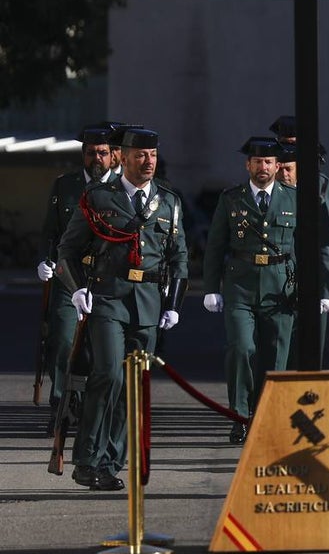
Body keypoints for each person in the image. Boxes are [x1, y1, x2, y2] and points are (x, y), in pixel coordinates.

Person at [57, 128, 188, 490]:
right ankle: (86, 460)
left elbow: (179, 257)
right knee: (109, 375)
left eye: (153, 156)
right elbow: (67, 250)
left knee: (133, 386)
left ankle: (111, 462)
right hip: (108, 297)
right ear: (123, 157)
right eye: (141, 155)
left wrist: (173, 304)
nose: (149, 162)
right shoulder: (99, 197)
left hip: (148, 303)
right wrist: (77, 288)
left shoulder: (169, 201)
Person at [202, 136, 311, 444]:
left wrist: (311, 287)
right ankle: (240, 416)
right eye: (257, 161)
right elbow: (215, 245)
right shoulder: (231, 198)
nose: (262, 167)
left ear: (278, 166)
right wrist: (211, 287)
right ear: (247, 165)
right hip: (241, 284)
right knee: (241, 349)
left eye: (268, 162)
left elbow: (306, 247)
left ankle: (269, 415)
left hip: (281, 286)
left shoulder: (294, 198)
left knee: (276, 355)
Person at [36, 124, 115, 433]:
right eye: (92, 153)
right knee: (62, 342)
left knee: (99, 348)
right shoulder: (65, 186)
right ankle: (61, 407)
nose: (97, 158)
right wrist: (44, 260)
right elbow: (50, 232)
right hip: (68, 276)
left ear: (113, 156)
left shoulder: (122, 189)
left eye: (103, 153)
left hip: (105, 279)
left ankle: (91, 408)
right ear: (83, 155)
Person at [269, 116, 329, 368]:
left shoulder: (324, 187)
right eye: (284, 144)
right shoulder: (269, 185)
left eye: (294, 145)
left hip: (315, 280)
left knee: (310, 352)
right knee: (275, 348)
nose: (289, 151)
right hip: (277, 277)